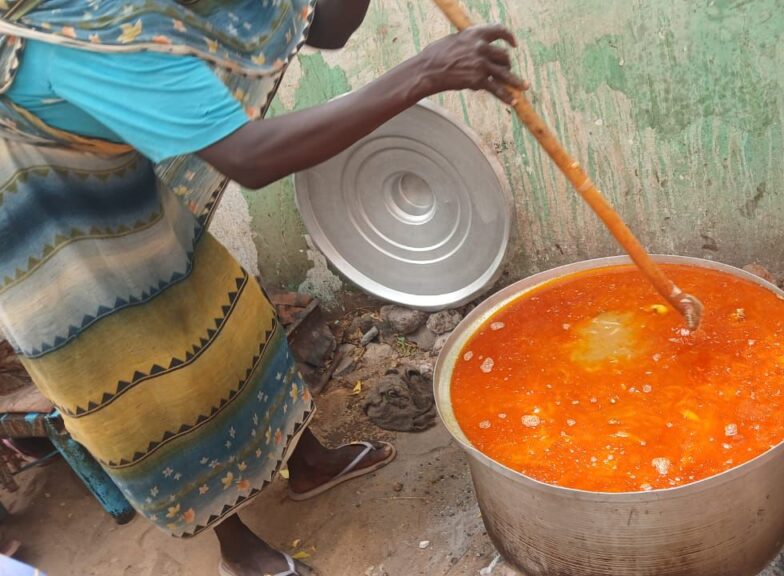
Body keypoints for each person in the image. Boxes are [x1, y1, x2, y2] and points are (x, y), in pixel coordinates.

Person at [0, 1, 526, 575]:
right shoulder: (66, 39)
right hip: (53, 260)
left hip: (131, 206)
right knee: (154, 403)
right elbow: (250, 156)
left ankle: (309, 463)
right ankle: (236, 546)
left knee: (236, 333)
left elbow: (322, 23)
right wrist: (425, 71)